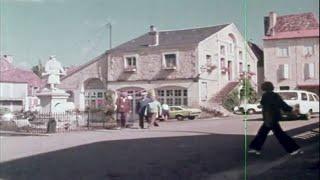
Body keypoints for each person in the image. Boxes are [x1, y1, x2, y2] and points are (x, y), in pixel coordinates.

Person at [248, 81, 303, 155]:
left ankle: (294, 149)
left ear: (264, 88)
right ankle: (255, 148)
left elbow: (265, 105)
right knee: (264, 134)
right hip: (273, 118)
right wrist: (291, 109)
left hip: (269, 119)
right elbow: (282, 105)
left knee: (278, 135)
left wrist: (267, 118)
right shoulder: (274, 95)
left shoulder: (266, 96)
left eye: (263, 86)